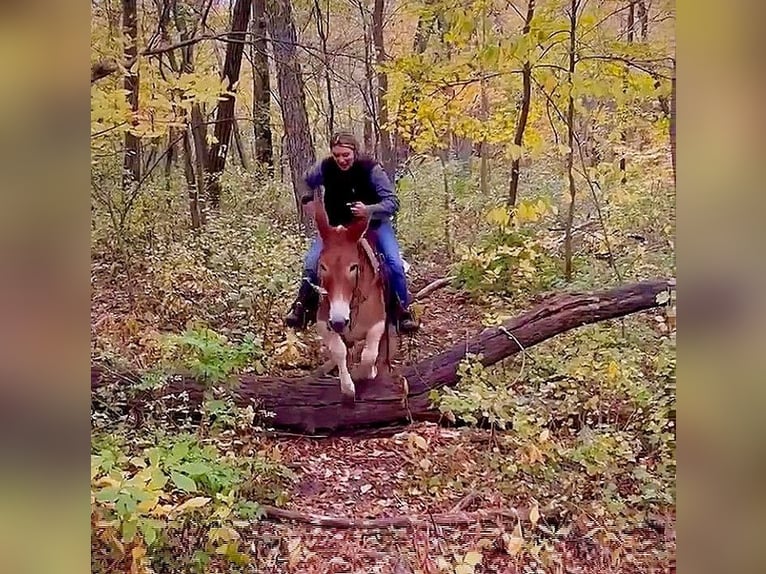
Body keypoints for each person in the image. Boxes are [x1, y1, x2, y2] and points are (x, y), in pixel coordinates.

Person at [284, 131, 419, 334]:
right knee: (312, 264)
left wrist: (369, 210)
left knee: (393, 263)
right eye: (337, 155)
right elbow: (306, 181)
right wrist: (307, 199)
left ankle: (401, 312)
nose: (341, 160)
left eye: (345, 155)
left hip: (373, 225)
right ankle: (302, 307)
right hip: (337, 229)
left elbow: (392, 202)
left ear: (354, 152)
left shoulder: (371, 170)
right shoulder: (326, 167)